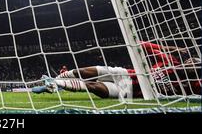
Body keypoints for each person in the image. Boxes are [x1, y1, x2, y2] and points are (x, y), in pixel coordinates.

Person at [32, 41, 201, 98]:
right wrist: (170, 48)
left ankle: (53, 83)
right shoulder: (169, 60)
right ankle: (55, 84)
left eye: (195, 65)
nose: (191, 64)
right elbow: (142, 45)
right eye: (191, 61)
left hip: (127, 91)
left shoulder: (193, 86)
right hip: (123, 73)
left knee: (92, 86)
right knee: (84, 72)